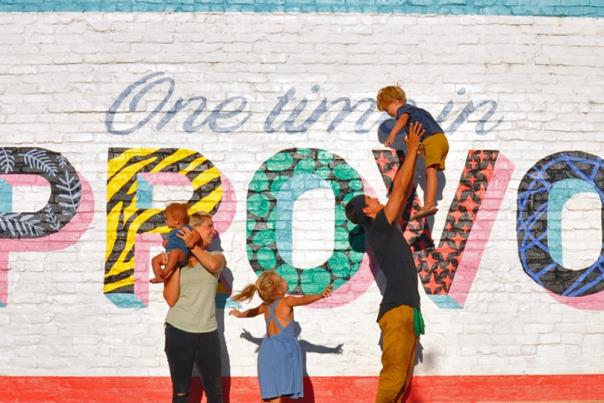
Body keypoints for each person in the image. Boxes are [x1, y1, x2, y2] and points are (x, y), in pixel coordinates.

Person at [345, 121, 426, 403]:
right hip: (398, 312)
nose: (377, 197)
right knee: (393, 377)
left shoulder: (381, 229)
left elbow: (400, 192)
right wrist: (413, 149)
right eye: (370, 198)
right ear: (366, 210)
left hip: (406, 312)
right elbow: (401, 189)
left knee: (403, 381)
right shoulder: (378, 226)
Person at [229, 271, 333, 403]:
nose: (285, 279)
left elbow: (252, 312)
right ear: (278, 290)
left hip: (266, 349)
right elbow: (303, 300)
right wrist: (320, 295)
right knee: (277, 395)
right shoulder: (286, 301)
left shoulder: (265, 306)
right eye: (282, 279)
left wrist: (240, 314)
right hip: (283, 349)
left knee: (269, 394)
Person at [163, 212, 225, 403]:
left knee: (215, 392)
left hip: (208, 332)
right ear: (194, 229)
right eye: (209, 225)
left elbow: (214, 266)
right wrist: (174, 267)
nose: (213, 230)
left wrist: (193, 246)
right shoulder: (178, 259)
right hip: (178, 330)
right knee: (181, 392)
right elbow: (171, 299)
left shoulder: (216, 256)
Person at [377, 85, 449, 220]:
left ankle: (429, 204)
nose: (389, 114)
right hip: (437, 139)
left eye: (387, 110)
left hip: (432, 139)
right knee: (429, 171)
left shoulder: (404, 110)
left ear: (395, 101)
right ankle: (429, 203)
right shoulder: (417, 113)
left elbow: (403, 119)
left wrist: (393, 133)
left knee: (431, 171)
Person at [150, 203, 192, 283]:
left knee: (175, 252)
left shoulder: (187, 228)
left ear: (176, 220)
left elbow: (195, 236)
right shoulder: (171, 232)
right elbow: (173, 244)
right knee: (155, 260)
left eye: (167, 219)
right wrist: (166, 245)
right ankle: (159, 276)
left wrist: (192, 241)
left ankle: (165, 272)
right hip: (170, 253)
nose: (165, 221)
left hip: (181, 254)